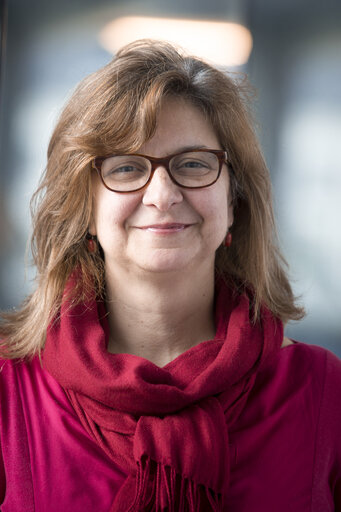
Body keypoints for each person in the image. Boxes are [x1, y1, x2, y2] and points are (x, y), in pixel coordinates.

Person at [0, 39, 340, 512]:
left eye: (194, 164)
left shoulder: (324, 392)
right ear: (84, 206)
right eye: (125, 167)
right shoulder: (9, 387)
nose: (162, 194)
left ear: (234, 200)